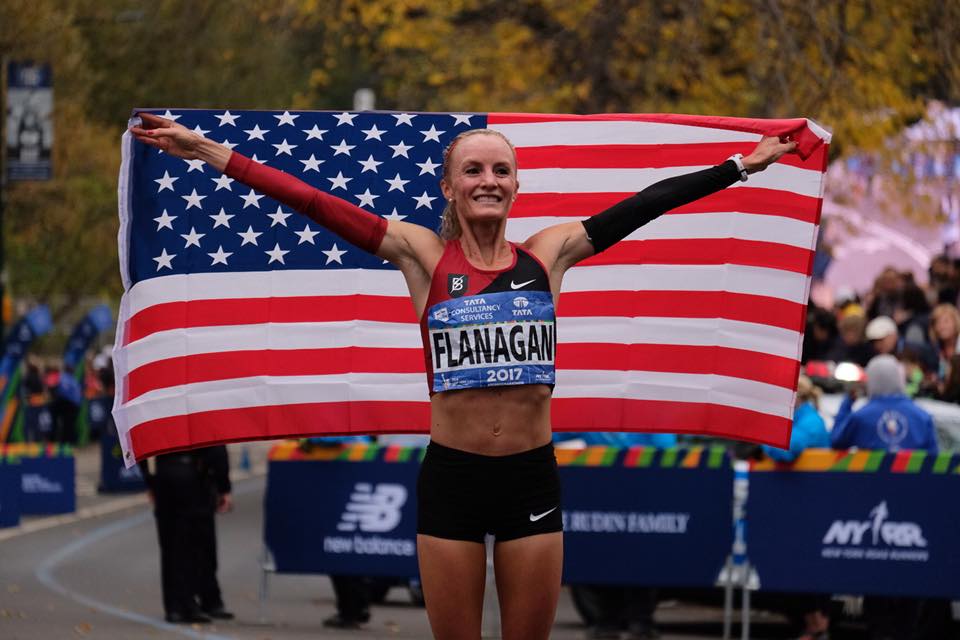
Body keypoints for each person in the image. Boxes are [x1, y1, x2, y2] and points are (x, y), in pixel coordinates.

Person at [131, 112, 795, 640]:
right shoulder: (422, 255)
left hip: (530, 477)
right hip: (452, 479)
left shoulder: (551, 253)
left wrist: (740, 166)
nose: (488, 180)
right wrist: (209, 152)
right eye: (472, 170)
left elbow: (647, 203)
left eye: (501, 170)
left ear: (515, 185)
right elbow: (314, 202)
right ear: (448, 186)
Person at [830, 355, 938, 640]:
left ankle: (880, 631)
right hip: (914, 512)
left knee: (875, 574)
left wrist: (846, 403)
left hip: (872, 509)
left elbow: (837, 441)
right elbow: (935, 462)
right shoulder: (921, 416)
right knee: (912, 574)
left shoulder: (862, 415)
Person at [555, 431, 676, 640]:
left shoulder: (649, 415)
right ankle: (608, 621)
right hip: (605, 494)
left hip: (640, 494)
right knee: (606, 558)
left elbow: (666, 448)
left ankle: (640, 622)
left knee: (639, 559)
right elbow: (554, 434)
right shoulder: (595, 413)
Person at [139, 446, 234, 624]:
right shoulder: (199, 418)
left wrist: (150, 480)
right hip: (196, 479)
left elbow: (141, 443)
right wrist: (224, 487)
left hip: (165, 477)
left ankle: (175, 606)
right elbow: (216, 447)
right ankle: (202, 600)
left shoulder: (157, 417)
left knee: (170, 544)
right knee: (198, 544)